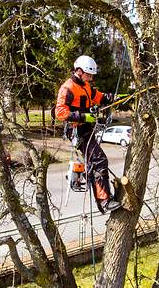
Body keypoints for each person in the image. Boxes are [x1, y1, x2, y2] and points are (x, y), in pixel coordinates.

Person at [55, 55, 121, 213]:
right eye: (88, 75)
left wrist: (109, 98)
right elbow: (60, 112)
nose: (90, 78)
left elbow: (97, 97)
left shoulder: (85, 86)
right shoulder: (67, 88)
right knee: (99, 161)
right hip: (77, 130)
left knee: (96, 162)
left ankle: (104, 199)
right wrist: (82, 116)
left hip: (87, 129)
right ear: (79, 71)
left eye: (92, 76)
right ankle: (104, 201)